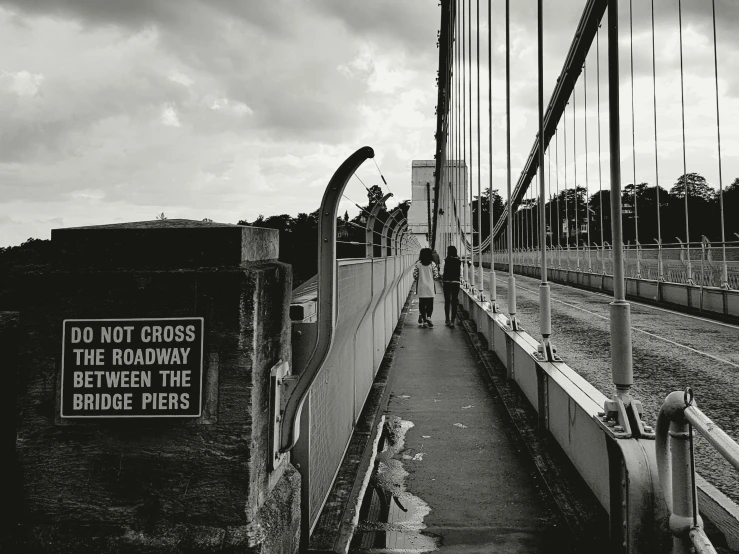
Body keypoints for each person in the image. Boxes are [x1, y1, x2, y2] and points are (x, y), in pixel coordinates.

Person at [413, 248, 439, 328]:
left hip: (421, 287)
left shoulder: (418, 264)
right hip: (430, 287)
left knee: (422, 304)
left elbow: (415, 276)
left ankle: (424, 321)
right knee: (430, 304)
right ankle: (429, 317)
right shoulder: (432, 264)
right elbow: (436, 276)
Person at [442, 245, 462, 328]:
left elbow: (442, 271)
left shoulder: (445, 260)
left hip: (446, 282)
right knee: (454, 302)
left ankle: (447, 319)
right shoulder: (459, 261)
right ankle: (453, 321)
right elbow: (460, 273)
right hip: (455, 282)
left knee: (447, 301)